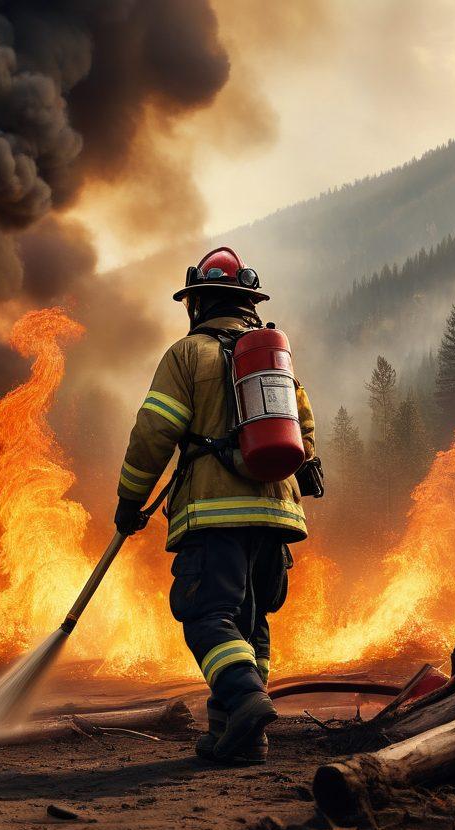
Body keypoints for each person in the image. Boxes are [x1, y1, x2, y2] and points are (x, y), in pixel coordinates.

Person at [114, 247, 317, 765]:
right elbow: (305, 437)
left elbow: (154, 432)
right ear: (247, 302)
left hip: (215, 512)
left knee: (208, 614)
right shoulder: (275, 362)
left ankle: (247, 700)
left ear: (197, 303)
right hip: (278, 515)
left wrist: (129, 499)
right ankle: (240, 735)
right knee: (252, 622)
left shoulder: (188, 355)